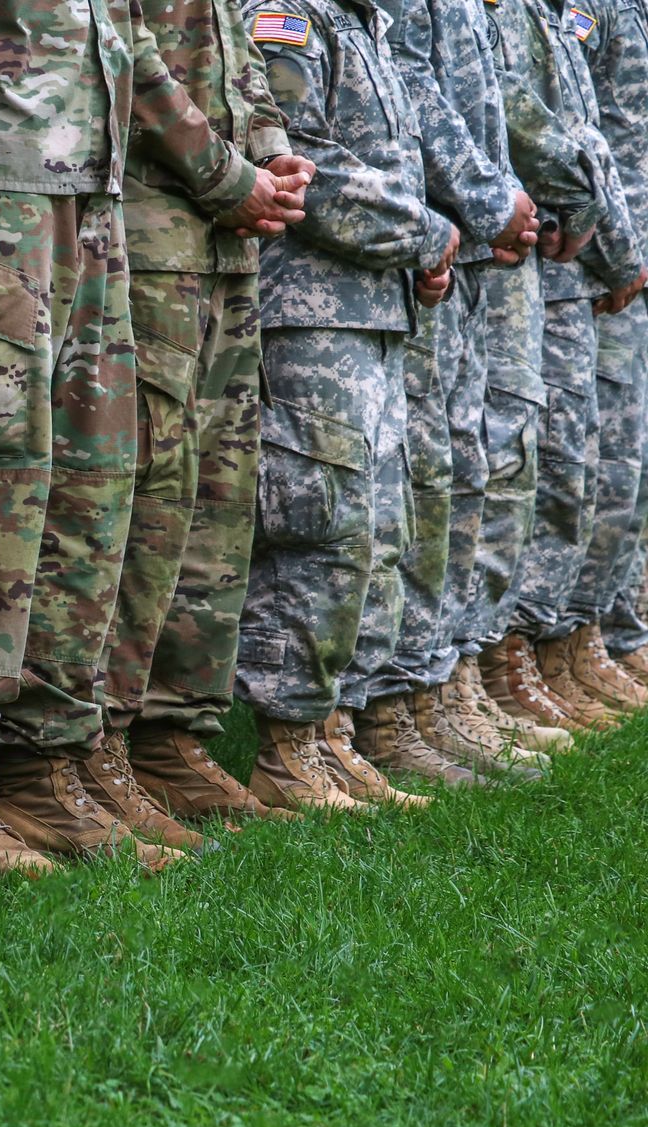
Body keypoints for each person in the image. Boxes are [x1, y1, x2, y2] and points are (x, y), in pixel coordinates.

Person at [0, 0, 286, 872]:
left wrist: (258, 149)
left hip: (89, 173)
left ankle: (59, 759)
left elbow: (134, 36)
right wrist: (223, 170)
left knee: (94, 489)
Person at [94, 0, 318, 835]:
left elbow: (240, 64)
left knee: (215, 496)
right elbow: (130, 51)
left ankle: (172, 731)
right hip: (158, 226)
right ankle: (99, 738)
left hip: (229, 236)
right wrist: (229, 175)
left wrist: (273, 152)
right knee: (147, 495)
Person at [236, 0, 463, 812]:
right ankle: (285, 747)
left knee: (373, 532)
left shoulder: (358, 21)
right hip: (307, 310)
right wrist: (425, 234)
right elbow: (304, 167)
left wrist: (424, 251)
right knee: (317, 520)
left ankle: (331, 732)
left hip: (368, 308)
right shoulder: (285, 16)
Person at [348, 0, 556, 784]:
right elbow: (410, 88)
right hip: (425, 244)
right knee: (419, 480)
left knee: (462, 471)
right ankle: (394, 701)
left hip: (459, 248)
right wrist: (484, 200)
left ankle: (440, 684)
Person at [489, 0, 643, 729]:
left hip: (601, 258)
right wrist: (616, 247)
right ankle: (520, 649)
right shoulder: (573, 9)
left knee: (605, 463)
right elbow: (546, 134)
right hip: (559, 261)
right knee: (550, 463)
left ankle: (577, 639)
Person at [565, 0, 648, 706]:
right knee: (599, 464)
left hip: (632, 266)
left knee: (632, 468)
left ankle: (612, 629)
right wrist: (615, 251)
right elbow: (569, 134)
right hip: (600, 274)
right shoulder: (592, 8)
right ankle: (573, 640)